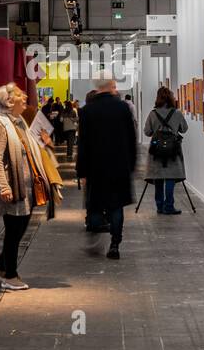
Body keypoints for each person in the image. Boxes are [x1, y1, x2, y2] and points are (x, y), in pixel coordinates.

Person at [0, 82, 51, 291]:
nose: (25, 97)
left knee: (19, 228)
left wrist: (43, 141)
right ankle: (10, 276)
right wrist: (4, 187)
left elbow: (29, 148)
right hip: (14, 187)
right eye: (20, 95)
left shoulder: (19, 122)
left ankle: (0, 268)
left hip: (27, 187)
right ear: (9, 101)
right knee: (14, 231)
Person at [76, 74, 138, 259]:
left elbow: (83, 144)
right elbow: (131, 139)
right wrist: (132, 164)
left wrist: (82, 170)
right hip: (119, 166)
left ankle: (94, 238)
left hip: (96, 167)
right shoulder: (122, 108)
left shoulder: (87, 111)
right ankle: (115, 244)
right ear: (112, 86)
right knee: (116, 206)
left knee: (95, 205)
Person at [144, 86, 188, 215]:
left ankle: (159, 206)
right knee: (170, 177)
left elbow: (147, 132)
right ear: (171, 98)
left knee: (158, 178)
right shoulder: (177, 113)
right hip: (173, 150)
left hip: (156, 150)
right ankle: (169, 206)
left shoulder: (153, 113)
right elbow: (184, 129)